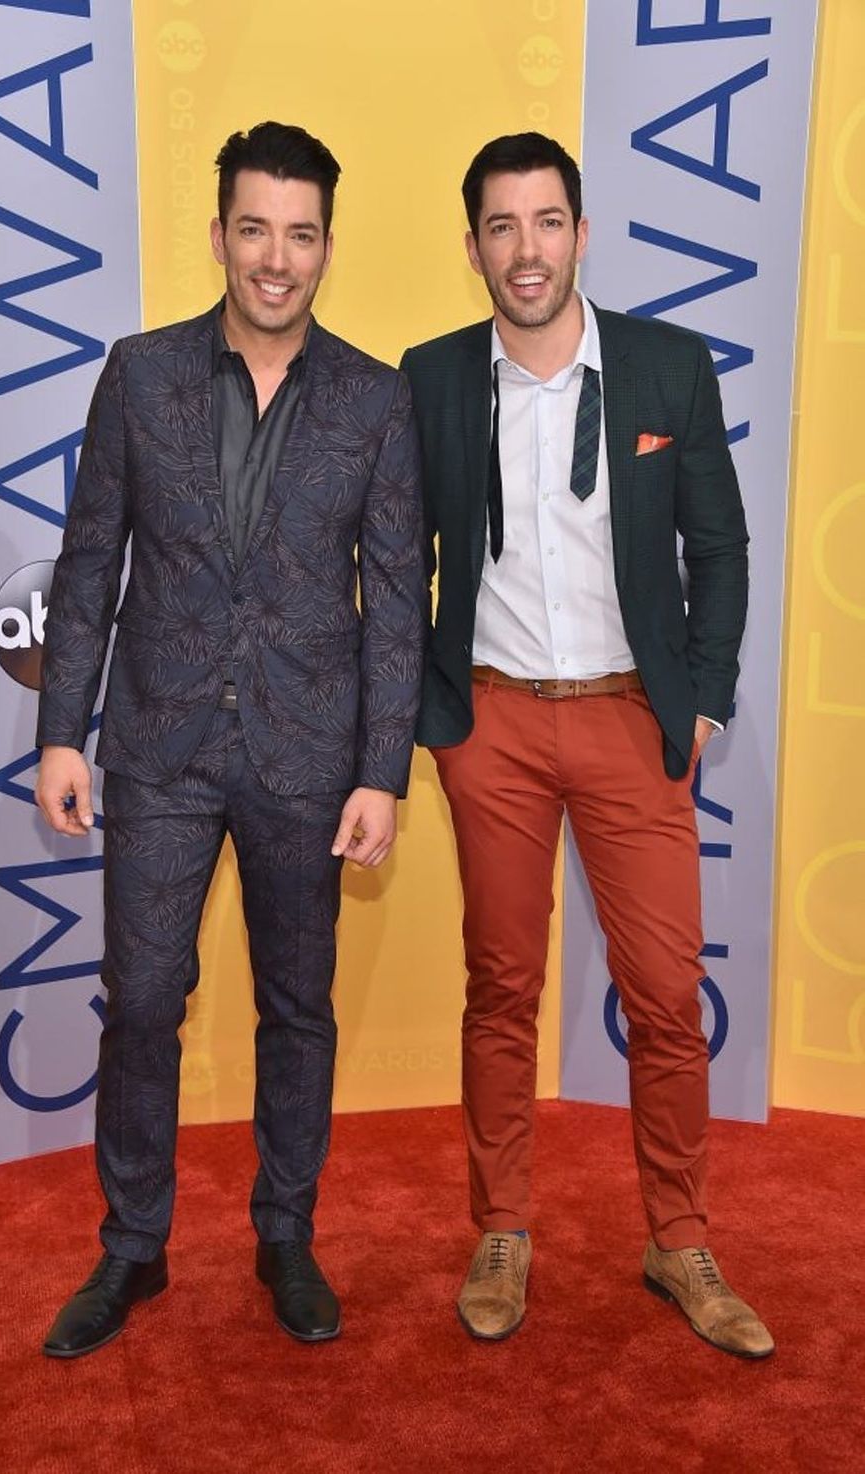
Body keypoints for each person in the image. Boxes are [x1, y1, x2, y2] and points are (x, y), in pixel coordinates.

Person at [35, 121, 425, 1357]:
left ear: (326, 247)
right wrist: (61, 734)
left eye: (299, 234)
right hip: (158, 745)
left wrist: (379, 770)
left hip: (308, 758)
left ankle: (285, 1235)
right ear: (218, 235)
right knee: (142, 999)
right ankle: (131, 1246)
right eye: (254, 228)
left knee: (296, 1007)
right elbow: (89, 565)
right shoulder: (138, 375)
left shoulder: (375, 398)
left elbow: (395, 602)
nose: (275, 257)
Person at [400, 132, 772, 1357]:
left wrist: (701, 699)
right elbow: (399, 562)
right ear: (471, 248)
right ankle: (500, 1227)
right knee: (500, 986)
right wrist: (431, 720)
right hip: (491, 724)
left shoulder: (666, 367)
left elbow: (717, 547)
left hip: (628, 717)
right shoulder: (430, 379)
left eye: (546, 221)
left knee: (663, 994)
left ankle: (678, 1239)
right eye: (500, 226)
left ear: (580, 233)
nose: (526, 249)